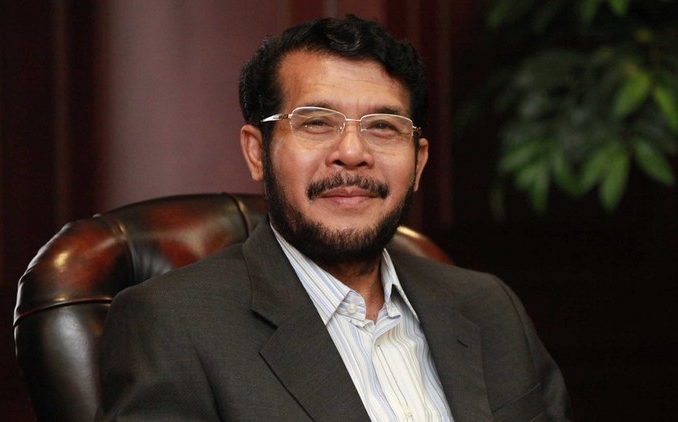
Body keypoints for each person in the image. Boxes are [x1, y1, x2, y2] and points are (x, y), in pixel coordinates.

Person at [96, 15, 571, 421]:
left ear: (419, 163)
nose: (352, 152)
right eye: (317, 122)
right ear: (257, 152)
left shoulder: (489, 306)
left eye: (382, 127)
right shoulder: (172, 323)